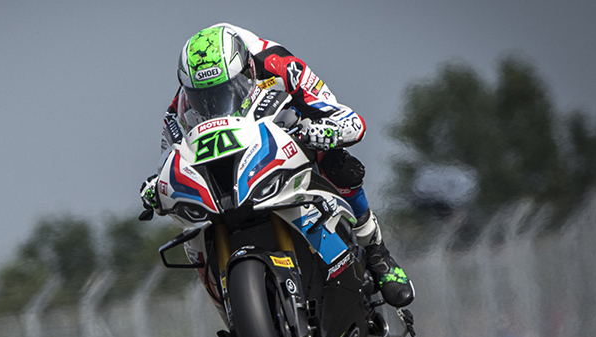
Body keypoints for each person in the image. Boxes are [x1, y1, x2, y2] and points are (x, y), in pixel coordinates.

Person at [141, 23, 414, 308]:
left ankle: (376, 252)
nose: (213, 104)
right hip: (227, 177)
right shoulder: (178, 108)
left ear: (248, 72)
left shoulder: (278, 64)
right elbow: (169, 158)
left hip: (279, 140)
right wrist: (154, 186)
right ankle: (231, 313)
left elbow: (348, 119)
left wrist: (327, 131)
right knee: (192, 227)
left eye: (225, 92)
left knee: (338, 163)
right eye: (204, 98)